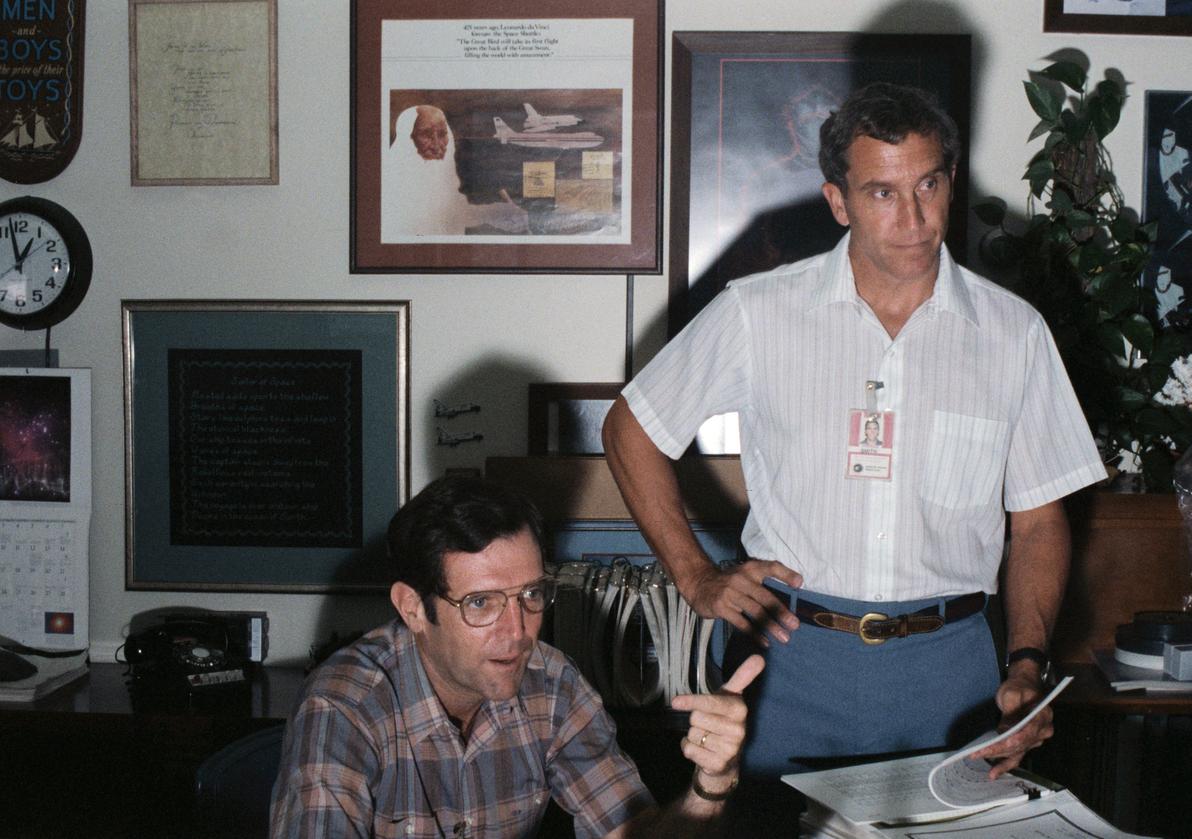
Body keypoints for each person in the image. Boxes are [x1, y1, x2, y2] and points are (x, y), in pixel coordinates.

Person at [601, 82, 1107, 835]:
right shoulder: (759, 310)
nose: (913, 218)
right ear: (837, 200)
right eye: (881, 192)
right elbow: (631, 428)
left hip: (950, 672)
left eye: (928, 184)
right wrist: (696, 574)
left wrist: (1026, 663)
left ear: (950, 181)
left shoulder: (1014, 334)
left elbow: (1037, 523)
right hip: (791, 663)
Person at [270, 474, 764, 839]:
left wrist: (711, 783)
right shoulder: (344, 707)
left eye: (531, 594)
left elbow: (632, 833)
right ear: (413, 608)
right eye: (481, 603)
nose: (518, 631)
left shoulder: (553, 685)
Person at [382, 103, 527, 239]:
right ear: (407, 139)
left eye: (442, 134)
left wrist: (498, 213)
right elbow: (432, 218)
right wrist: (493, 214)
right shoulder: (390, 183)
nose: (437, 145)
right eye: (426, 135)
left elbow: (452, 211)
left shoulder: (440, 176)